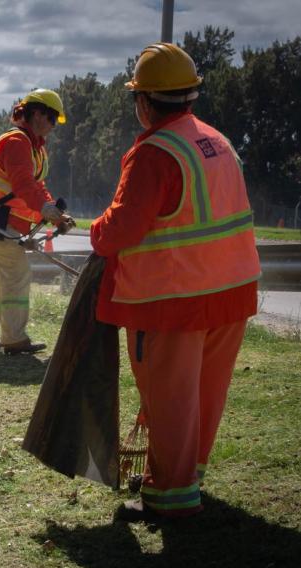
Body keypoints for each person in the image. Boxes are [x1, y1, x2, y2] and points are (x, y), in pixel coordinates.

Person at [90, 43, 261, 521]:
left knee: (170, 398)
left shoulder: (154, 152)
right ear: (189, 96)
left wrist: (97, 233)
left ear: (144, 102)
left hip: (174, 300)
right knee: (206, 392)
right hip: (231, 291)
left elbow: (122, 228)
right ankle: (191, 474)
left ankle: (170, 495)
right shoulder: (217, 141)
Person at [0, 89, 72, 355]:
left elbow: (37, 186)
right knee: (17, 274)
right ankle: (13, 339)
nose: (52, 127)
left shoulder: (33, 145)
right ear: (37, 114)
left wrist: (54, 215)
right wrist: (46, 209)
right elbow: (23, 184)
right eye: (51, 119)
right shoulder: (17, 141)